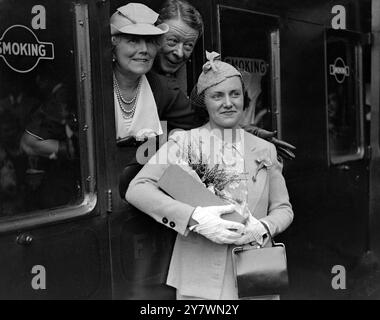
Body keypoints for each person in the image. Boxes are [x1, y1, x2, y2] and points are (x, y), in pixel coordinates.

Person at [126, 52, 293, 300]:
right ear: (205, 102)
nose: (228, 103)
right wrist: (194, 218)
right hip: (200, 279)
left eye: (235, 94)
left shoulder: (264, 149)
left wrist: (264, 227)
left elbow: (283, 208)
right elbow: (137, 188)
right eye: (218, 96)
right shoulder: (182, 142)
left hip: (256, 277)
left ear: (243, 99)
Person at [153, 0, 296, 161]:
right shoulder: (151, 82)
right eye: (172, 41)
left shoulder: (170, 83)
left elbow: (199, 120)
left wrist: (252, 134)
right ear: (155, 36)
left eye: (188, 46)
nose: (179, 53)